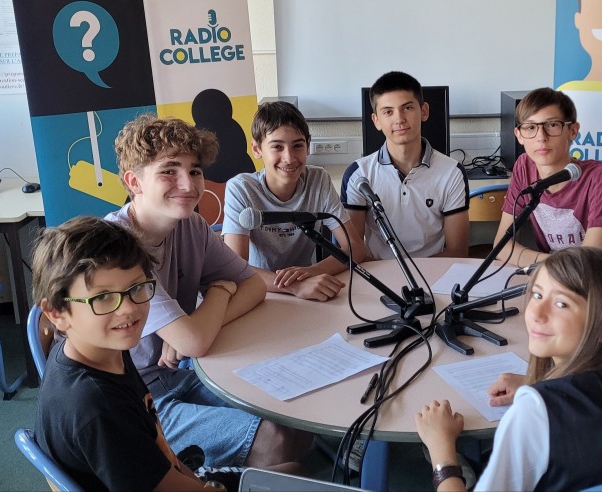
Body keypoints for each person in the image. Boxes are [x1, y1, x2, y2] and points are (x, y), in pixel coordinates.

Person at [107, 114, 313, 469]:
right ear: (134, 181)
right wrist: (220, 289)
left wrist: (194, 326)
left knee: (295, 416)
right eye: (169, 171)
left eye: (195, 171)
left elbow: (253, 287)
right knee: (276, 440)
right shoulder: (117, 248)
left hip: (183, 373)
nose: (188, 184)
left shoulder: (192, 225)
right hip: (133, 399)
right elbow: (194, 341)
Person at [415, 248, 602, 491]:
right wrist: (536, 384)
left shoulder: (534, 411)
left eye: (561, 304)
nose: (536, 313)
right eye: (537, 295)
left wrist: (442, 450)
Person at [31, 216, 208, 491]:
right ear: (57, 313)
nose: (128, 309)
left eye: (136, 288)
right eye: (102, 297)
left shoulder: (104, 349)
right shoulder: (97, 408)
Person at [223, 101, 366, 301]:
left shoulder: (318, 179)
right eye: (277, 147)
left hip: (308, 291)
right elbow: (234, 268)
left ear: (308, 146)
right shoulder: (241, 188)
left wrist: (311, 273)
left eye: (297, 145)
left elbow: (355, 247)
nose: (289, 158)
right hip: (261, 291)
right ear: (256, 149)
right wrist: (295, 286)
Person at [341, 71, 470, 259]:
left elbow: (457, 251)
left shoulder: (452, 172)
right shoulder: (358, 174)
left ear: (424, 111)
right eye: (388, 112)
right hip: (378, 271)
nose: (399, 119)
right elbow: (353, 251)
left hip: (433, 271)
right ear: (376, 121)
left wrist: (417, 275)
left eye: (407, 108)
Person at [495, 87, 602, 269]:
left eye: (552, 125)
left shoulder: (601, 177)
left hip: (598, 278)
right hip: (553, 274)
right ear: (519, 136)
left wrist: (537, 262)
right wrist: (549, 264)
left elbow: (589, 261)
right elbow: (502, 247)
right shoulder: (524, 166)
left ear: (573, 131)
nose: (541, 137)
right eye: (530, 127)